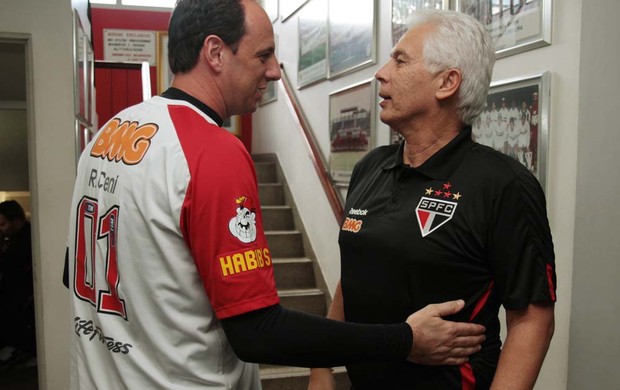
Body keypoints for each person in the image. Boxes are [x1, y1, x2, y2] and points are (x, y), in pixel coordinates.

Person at [62, 1, 486, 389]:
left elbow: (78, 273)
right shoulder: (213, 152)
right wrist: (404, 340)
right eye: (262, 55)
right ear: (215, 53)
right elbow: (258, 332)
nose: (275, 72)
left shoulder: (109, 134)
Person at [309, 9, 556, 390]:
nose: (381, 73)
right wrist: (321, 368)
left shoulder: (504, 185)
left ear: (447, 82)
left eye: (400, 60)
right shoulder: (370, 167)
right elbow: (355, 275)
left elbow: (532, 319)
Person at [0, 200, 36, 367]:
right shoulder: (15, 239)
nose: (1, 229)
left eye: (3, 224)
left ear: (16, 221)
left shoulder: (27, 241)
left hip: (21, 296)